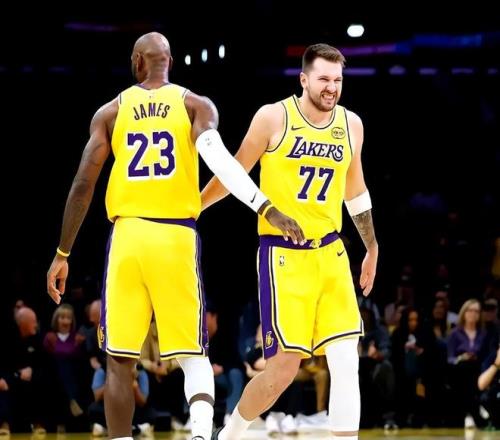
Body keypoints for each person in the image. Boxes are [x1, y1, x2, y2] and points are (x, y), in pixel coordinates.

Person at [46, 32, 304, 440]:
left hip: (129, 236)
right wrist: (263, 205)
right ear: (170, 61)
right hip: (175, 235)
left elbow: (82, 185)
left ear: (137, 62)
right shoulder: (195, 105)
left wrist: (63, 252)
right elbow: (219, 159)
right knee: (192, 353)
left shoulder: (111, 111)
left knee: (119, 360)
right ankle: (200, 434)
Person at [203, 43, 378, 440]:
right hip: (284, 255)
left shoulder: (351, 125)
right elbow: (234, 172)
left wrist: (371, 246)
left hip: (331, 251)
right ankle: (230, 434)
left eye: (338, 80)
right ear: (303, 79)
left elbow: (355, 190)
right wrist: (194, 206)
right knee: (282, 370)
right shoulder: (273, 117)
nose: (331, 87)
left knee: (346, 359)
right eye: (323, 79)